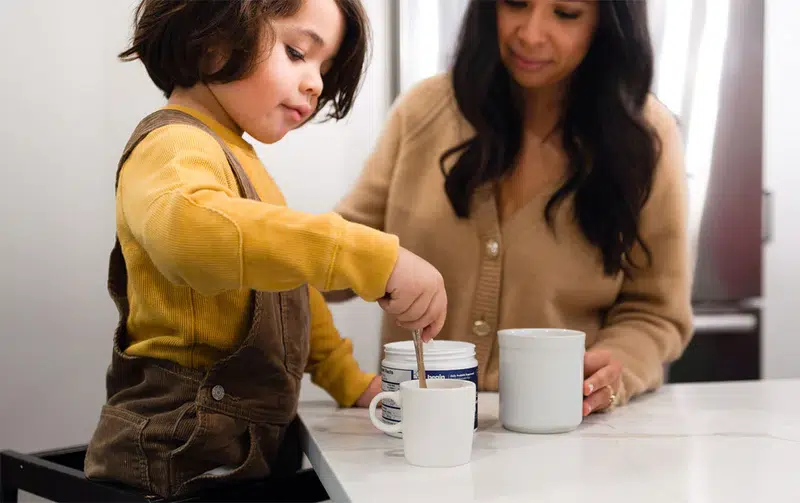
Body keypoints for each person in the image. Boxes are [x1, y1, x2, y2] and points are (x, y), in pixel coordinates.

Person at [83, 0, 446, 498]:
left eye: (325, 67)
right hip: (175, 456)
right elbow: (189, 238)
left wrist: (349, 380)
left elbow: (291, 298)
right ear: (214, 37)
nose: (316, 83)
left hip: (237, 453)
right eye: (298, 52)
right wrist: (365, 254)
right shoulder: (172, 145)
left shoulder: (241, 160)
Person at [331, 0, 693, 417]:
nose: (531, 34)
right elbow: (338, 255)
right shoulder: (423, 110)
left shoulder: (647, 138)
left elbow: (656, 312)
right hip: (419, 428)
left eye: (566, 14)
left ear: (607, 24)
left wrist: (618, 366)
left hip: (563, 432)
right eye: (516, 4)